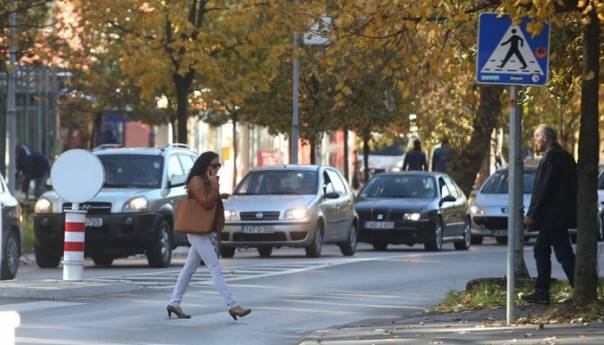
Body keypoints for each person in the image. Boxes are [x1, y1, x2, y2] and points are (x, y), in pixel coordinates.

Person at [167, 151, 251, 320]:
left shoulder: (207, 181)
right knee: (215, 267)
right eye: (213, 165)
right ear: (204, 165)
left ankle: (174, 303)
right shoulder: (197, 181)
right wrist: (214, 184)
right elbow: (206, 202)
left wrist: (213, 183)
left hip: (202, 231)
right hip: (196, 231)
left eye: (218, 166)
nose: (216, 169)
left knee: (188, 269)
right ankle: (232, 305)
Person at [522, 124, 576, 304]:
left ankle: (549, 292)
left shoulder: (550, 158)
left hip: (552, 217)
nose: (535, 141)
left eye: (536, 137)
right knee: (543, 250)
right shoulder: (566, 156)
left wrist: (531, 214)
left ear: (545, 138)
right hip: (561, 215)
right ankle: (542, 291)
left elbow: (542, 189)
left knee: (562, 252)